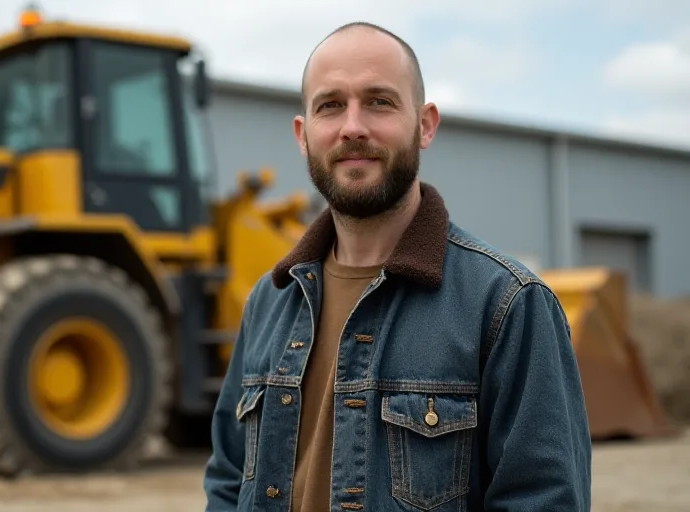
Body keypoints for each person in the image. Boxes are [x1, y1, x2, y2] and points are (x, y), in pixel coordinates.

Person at [202, 21, 592, 512]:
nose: (353, 126)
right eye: (331, 105)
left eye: (380, 101)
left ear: (424, 124)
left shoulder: (507, 304)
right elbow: (228, 480)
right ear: (303, 135)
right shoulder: (270, 299)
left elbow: (544, 500)